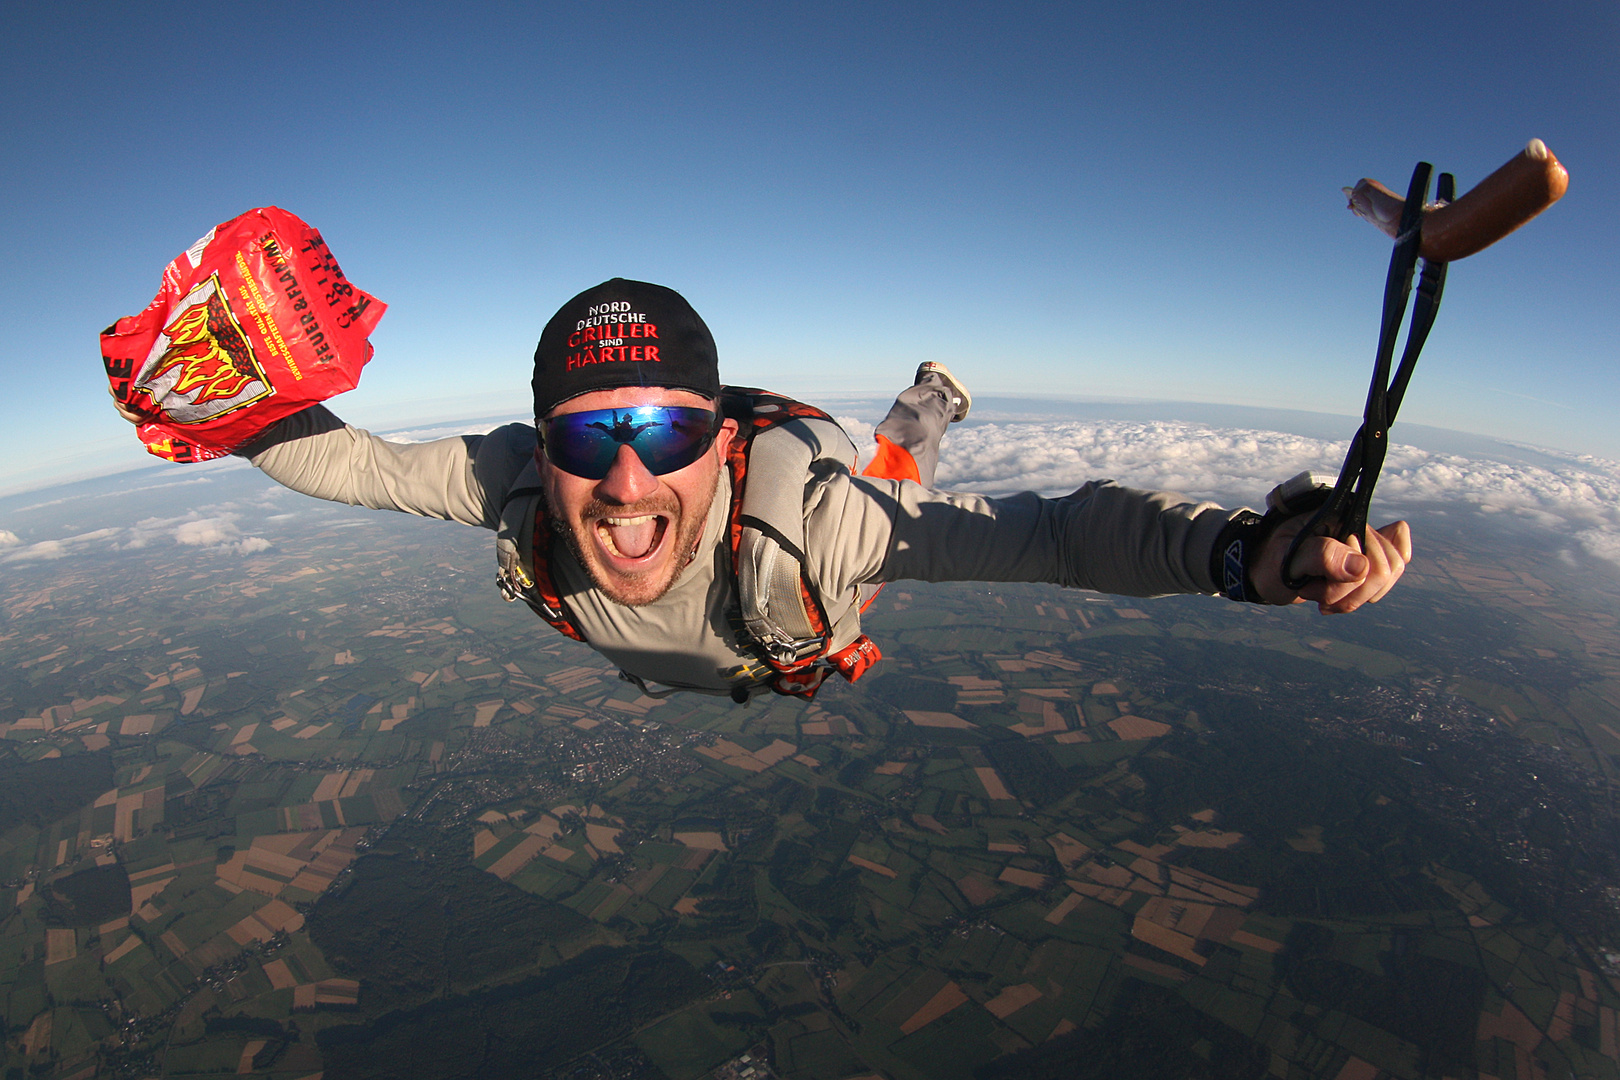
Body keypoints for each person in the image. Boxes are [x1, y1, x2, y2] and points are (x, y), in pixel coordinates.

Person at [112, 278, 1411, 701]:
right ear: (542, 441)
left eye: (667, 430)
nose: (625, 478)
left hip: (817, 533)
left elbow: (1062, 537)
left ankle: (935, 393)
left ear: (720, 439)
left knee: (899, 464)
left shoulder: (811, 527)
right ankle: (921, 405)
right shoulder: (521, 486)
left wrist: (1251, 553)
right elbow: (353, 464)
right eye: (588, 434)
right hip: (753, 601)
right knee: (883, 474)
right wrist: (221, 400)